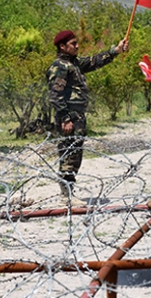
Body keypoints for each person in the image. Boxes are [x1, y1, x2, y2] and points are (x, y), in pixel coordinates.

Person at [46, 30, 128, 206]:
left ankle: (69, 192)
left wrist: (115, 51)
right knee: (68, 154)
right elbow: (55, 96)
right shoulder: (60, 66)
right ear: (62, 46)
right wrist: (65, 118)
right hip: (69, 118)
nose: (77, 46)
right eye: (73, 43)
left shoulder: (73, 64)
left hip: (77, 117)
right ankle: (65, 196)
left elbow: (94, 61)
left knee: (75, 154)